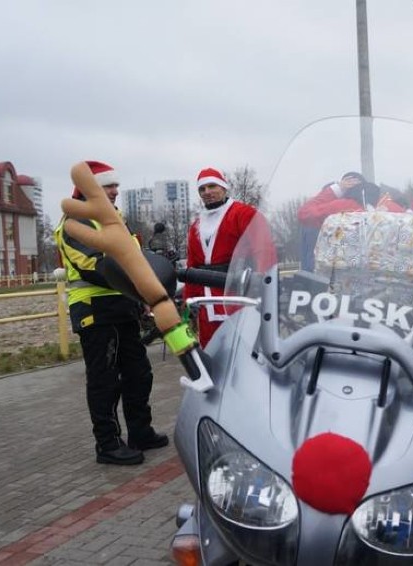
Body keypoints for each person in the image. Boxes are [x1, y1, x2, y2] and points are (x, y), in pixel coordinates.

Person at [54, 160, 167, 466]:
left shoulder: (114, 220)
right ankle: (108, 444)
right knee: (105, 380)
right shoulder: (74, 224)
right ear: (88, 189)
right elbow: (93, 266)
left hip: (123, 308)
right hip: (94, 311)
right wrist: (138, 281)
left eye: (116, 186)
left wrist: (146, 287)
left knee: (138, 373)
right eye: (108, 186)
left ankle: (140, 432)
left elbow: (135, 259)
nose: (116, 191)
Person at [184, 167, 260, 348]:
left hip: (238, 298)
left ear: (224, 188)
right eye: (202, 189)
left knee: (243, 351)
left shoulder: (244, 214)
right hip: (207, 304)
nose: (207, 192)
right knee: (212, 353)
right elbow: (192, 267)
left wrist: (262, 287)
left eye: (212, 186)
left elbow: (263, 251)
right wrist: (189, 303)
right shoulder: (196, 225)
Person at [297, 172, 382, 270]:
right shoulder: (378, 210)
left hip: (335, 273)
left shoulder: (341, 207)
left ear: (348, 185)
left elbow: (304, 213)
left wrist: (336, 189)